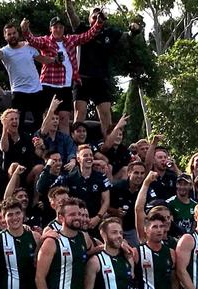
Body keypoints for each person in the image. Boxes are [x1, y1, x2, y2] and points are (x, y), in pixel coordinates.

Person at [65, 2, 140, 135]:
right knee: (80, 111)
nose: (96, 19)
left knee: (106, 114)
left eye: (99, 17)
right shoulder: (82, 29)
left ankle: (108, 144)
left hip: (100, 79)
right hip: (82, 78)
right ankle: (77, 145)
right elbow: (71, 13)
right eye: (93, 17)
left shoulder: (110, 33)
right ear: (89, 19)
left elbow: (126, 37)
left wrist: (133, 30)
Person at [20, 15, 104, 134]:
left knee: (64, 118)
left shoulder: (70, 40)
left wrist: (98, 24)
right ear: (51, 29)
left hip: (65, 85)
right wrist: (25, 30)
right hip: (48, 84)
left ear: (64, 29)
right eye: (55, 27)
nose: (58, 30)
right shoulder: (45, 41)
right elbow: (32, 40)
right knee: (49, 116)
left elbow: (87, 35)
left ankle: (65, 147)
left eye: (60, 27)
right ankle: (45, 144)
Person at [0, 21, 52, 135]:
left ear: (17, 33)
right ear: (5, 36)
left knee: (41, 122)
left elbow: (42, 59)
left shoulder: (28, 46)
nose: (12, 36)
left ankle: (41, 146)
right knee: (18, 123)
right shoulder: (5, 51)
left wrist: (56, 59)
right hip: (19, 92)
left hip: (36, 90)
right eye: (9, 34)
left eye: (14, 33)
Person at [54, 144, 111, 231]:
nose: (89, 157)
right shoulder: (69, 177)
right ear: (78, 159)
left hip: (94, 222)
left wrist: (98, 217)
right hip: (76, 222)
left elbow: (106, 201)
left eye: (91, 155)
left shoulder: (101, 177)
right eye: (85, 155)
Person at [0, 108, 42, 183]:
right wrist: (4, 129)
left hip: (27, 173)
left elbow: (38, 152)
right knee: (15, 165)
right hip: (10, 173)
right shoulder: (0, 138)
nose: (14, 121)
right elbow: (4, 149)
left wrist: (41, 144)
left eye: (16, 119)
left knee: (39, 168)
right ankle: (15, 193)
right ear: (4, 122)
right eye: (11, 119)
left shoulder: (26, 136)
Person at [109, 161, 146, 246]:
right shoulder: (117, 187)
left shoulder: (145, 190)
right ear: (129, 173)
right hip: (115, 225)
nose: (139, 176)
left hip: (133, 228)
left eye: (142, 173)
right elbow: (105, 205)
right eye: (136, 173)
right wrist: (115, 211)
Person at [36, 96, 77, 170]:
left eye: (57, 119)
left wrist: (72, 161)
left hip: (62, 169)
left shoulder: (65, 137)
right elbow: (42, 131)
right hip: (46, 169)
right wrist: (51, 110)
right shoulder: (39, 135)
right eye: (52, 118)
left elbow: (71, 151)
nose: (55, 121)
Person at [145, 137, 178, 201]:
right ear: (154, 160)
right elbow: (148, 163)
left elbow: (183, 181)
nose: (163, 159)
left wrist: (175, 167)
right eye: (160, 157)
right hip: (154, 207)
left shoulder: (172, 175)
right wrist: (154, 143)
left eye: (165, 157)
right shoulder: (150, 174)